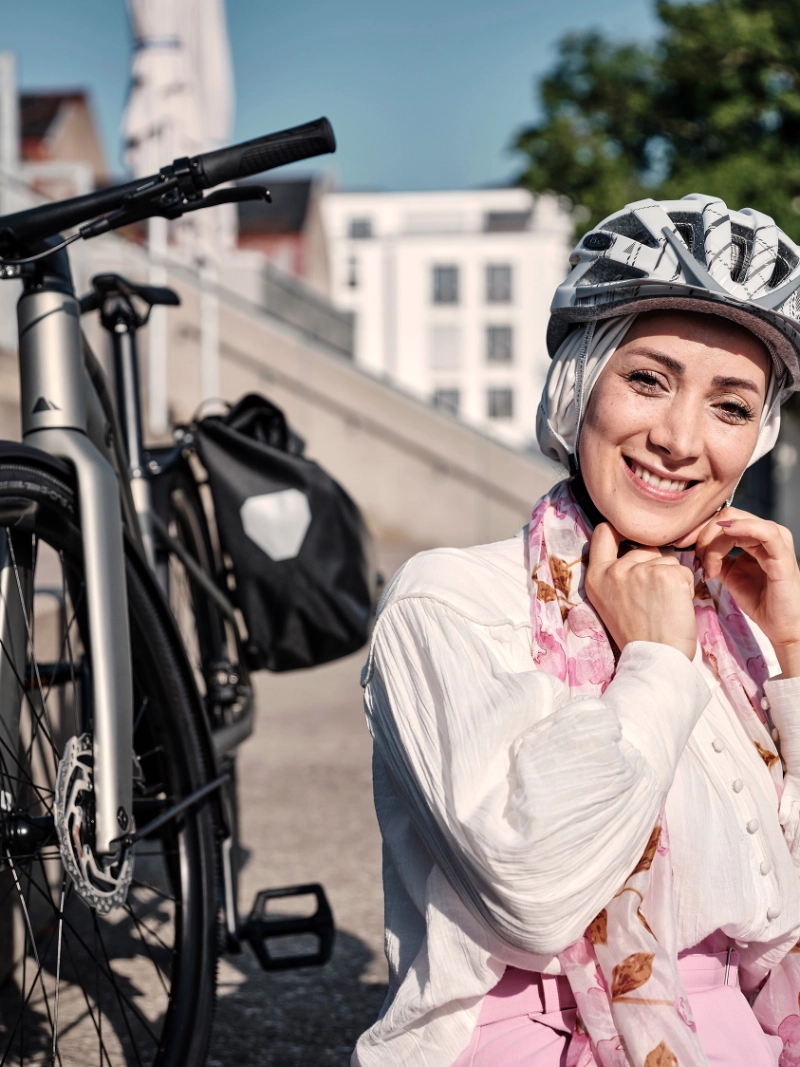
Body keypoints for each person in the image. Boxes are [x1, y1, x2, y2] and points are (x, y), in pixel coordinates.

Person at [352, 194, 800, 1067]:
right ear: (578, 382)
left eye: (731, 405)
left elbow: (783, 910)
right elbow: (534, 892)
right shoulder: (449, 599)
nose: (679, 439)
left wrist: (792, 661)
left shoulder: (739, 626)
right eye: (647, 380)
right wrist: (657, 662)